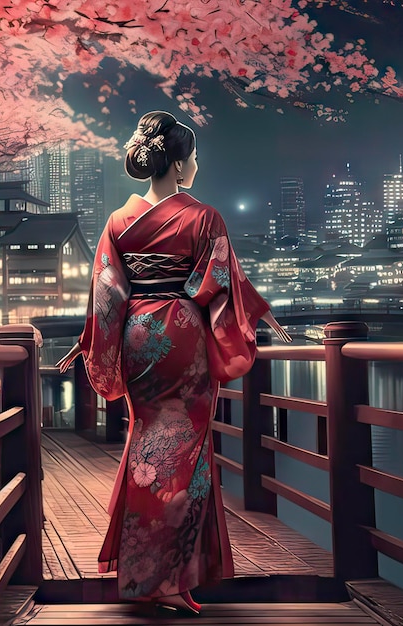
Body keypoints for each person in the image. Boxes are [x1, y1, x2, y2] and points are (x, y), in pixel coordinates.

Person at [57, 111, 291, 614]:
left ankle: (144, 573)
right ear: (182, 164)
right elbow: (221, 288)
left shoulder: (119, 221)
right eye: (195, 158)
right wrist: (256, 317)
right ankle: (174, 576)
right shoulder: (204, 217)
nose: (197, 166)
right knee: (187, 455)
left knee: (147, 448)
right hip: (183, 339)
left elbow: (106, 293)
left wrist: (94, 343)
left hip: (140, 337)